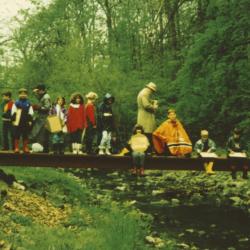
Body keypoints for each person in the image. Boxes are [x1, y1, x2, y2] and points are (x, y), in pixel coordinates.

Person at [137, 82, 158, 153]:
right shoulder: (145, 94)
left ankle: (146, 149)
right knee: (147, 132)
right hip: (145, 116)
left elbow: (145, 101)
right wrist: (154, 107)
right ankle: (147, 150)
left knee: (145, 132)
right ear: (150, 89)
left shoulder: (143, 93)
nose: (152, 92)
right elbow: (146, 105)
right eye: (152, 91)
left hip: (143, 115)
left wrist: (152, 101)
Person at [30, 84, 51, 153]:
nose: (38, 92)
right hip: (41, 117)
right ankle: (43, 149)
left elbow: (47, 107)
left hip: (45, 118)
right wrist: (35, 92)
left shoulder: (46, 96)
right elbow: (38, 98)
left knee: (43, 133)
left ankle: (45, 149)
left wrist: (39, 108)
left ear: (42, 90)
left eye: (38, 91)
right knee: (39, 133)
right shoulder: (42, 96)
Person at [11, 88, 33, 153]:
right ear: (19, 95)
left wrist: (30, 120)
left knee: (25, 134)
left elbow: (31, 112)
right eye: (21, 94)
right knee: (16, 134)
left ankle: (25, 147)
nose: (23, 95)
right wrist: (13, 120)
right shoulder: (16, 103)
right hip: (18, 121)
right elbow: (13, 112)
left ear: (26, 95)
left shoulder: (28, 103)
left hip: (25, 121)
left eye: (24, 94)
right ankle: (17, 148)